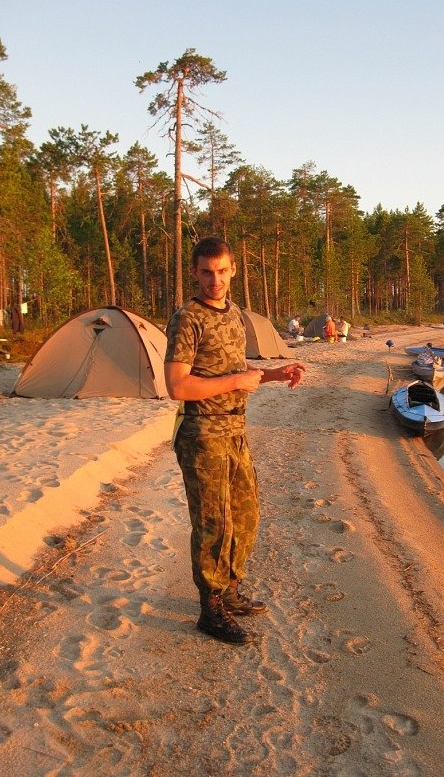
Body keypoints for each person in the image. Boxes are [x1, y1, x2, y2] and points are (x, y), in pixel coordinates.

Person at [164, 237, 306, 646]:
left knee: (245, 517)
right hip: (202, 433)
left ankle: (229, 591)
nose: (215, 280)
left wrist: (273, 374)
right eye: (206, 272)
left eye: (222, 271)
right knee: (213, 524)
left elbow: (232, 366)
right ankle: (210, 610)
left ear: (233, 270)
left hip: (235, 429)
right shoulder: (187, 319)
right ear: (195, 273)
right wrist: (236, 382)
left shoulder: (234, 315)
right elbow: (177, 385)